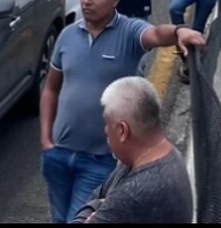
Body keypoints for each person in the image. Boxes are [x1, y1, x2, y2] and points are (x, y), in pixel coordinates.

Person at [40, 0, 205, 224]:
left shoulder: (129, 31)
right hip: (58, 154)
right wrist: (46, 140)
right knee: (59, 218)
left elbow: (154, 34)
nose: (86, 1)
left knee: (80, 218)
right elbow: (51, 88)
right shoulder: (67, 35)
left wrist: (178, 32)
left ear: (115, 0)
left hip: (98, 162)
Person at [72, 77, 193, 224]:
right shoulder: (162, 156)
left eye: (107, 123)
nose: (105, 130)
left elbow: (94, 203)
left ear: (122, 131)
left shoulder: (133, 195)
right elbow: (98, 194)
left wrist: (99, 206)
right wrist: (99, 204)